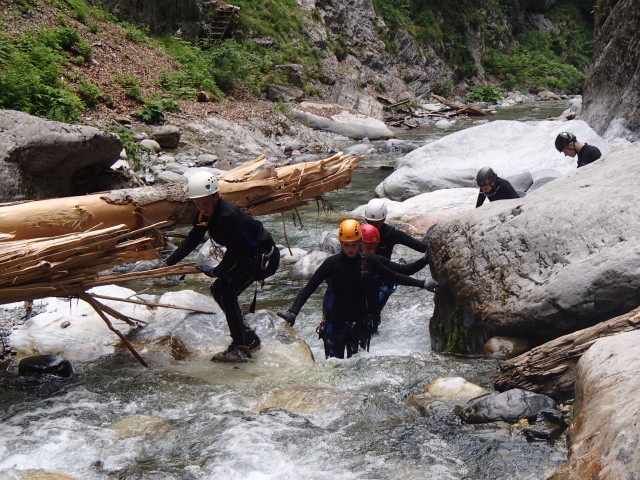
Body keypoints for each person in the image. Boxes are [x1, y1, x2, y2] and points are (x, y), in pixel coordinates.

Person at [160, 171, 280, 362]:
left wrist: (217, 271)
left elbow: (235, 251)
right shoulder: (204, 214)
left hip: (261, 258)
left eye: (205, 203)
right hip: (245, 256)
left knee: (228, 293)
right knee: (217, 290)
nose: (202, 208)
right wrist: (168, 262)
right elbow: (193, 239)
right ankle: (246, 336)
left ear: (216, 196)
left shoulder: (228, 216)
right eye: (197, 204)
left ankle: (240, 347)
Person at [277, 219, 435, 359]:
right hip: (334, 326)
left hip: (360, 326)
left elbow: (395, 276)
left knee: (357, 368)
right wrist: (293, 312)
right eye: (346, 245)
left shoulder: (371, 261)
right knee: (335, 369)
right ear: (341, 244)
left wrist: (422, 283)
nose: (350, 249)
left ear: (360, 242)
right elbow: (310, 288)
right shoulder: (331, 264)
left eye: (353, 245)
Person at [360, 223, 437, 334]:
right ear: (358, 244)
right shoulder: (339, 263)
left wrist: (425, 261)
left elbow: (403, 271)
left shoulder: (375, 260)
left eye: (374, 248)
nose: (372, 252)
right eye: (368, 248)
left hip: (369, 314)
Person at [363, 198, 429, 310]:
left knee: (372, 311)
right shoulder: (362, 233)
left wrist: (428, 257)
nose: (373, 226)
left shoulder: (391, 234)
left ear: (383, 219)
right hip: (368, 276)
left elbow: (420, 247)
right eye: (370, 222)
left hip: (384, 274)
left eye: (376, 223)